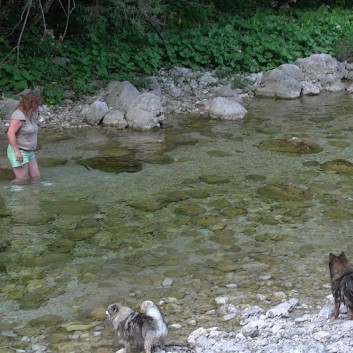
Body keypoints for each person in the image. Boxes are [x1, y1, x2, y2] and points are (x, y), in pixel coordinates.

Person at [6, 91, 42, 184]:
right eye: (36, 104)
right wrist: (17, 152)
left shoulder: (29, 115)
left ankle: (32, 196)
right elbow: (10, 133)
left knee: (36, 176)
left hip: (29, 152)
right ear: (30, 104)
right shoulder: (19, 116)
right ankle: (7, 191)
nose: (38, 107)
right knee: (22, 180)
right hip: (19, 152)